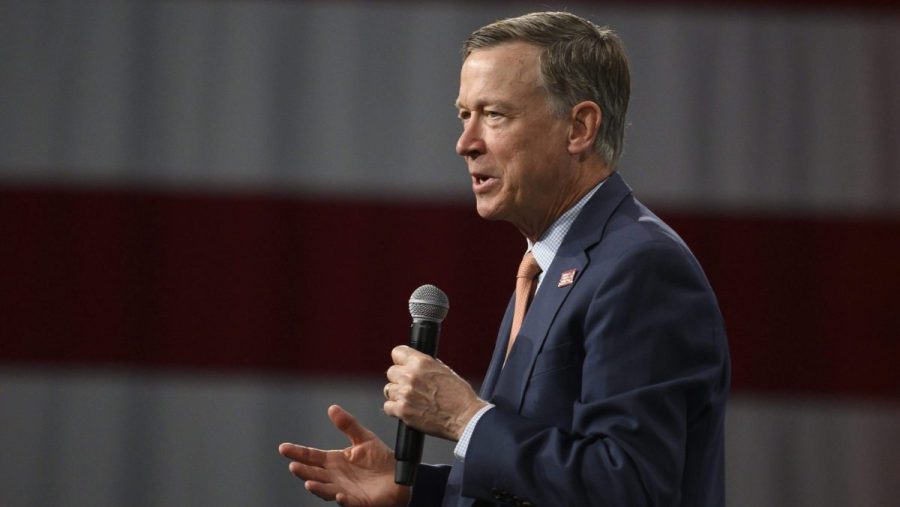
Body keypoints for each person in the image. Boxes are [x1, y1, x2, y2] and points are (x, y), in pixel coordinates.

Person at [279, 11, 729, 506]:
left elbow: (630, 488)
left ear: (579, 128)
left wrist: (464, 418)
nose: (465, 144)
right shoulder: (549, 265)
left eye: (494, 115)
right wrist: (418, 492)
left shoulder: (640, 267)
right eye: (463, 115)